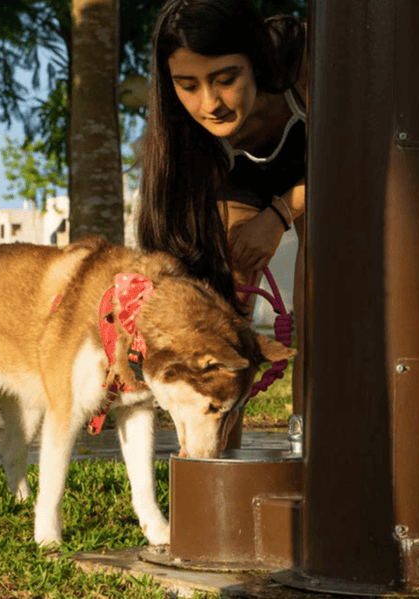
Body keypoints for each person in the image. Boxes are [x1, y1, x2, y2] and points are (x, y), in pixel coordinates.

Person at [138, 0, 307, 439]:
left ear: (255, 61)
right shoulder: (187, 144)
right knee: (222, 300)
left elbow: (361, 155)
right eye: (187, 84)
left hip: (330, 168)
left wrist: (280, 214)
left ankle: (321, 436)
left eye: (226, 80)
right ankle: (219, 448)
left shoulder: (306, 62)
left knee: (322, 282)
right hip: (246, 182)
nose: (209, 103)